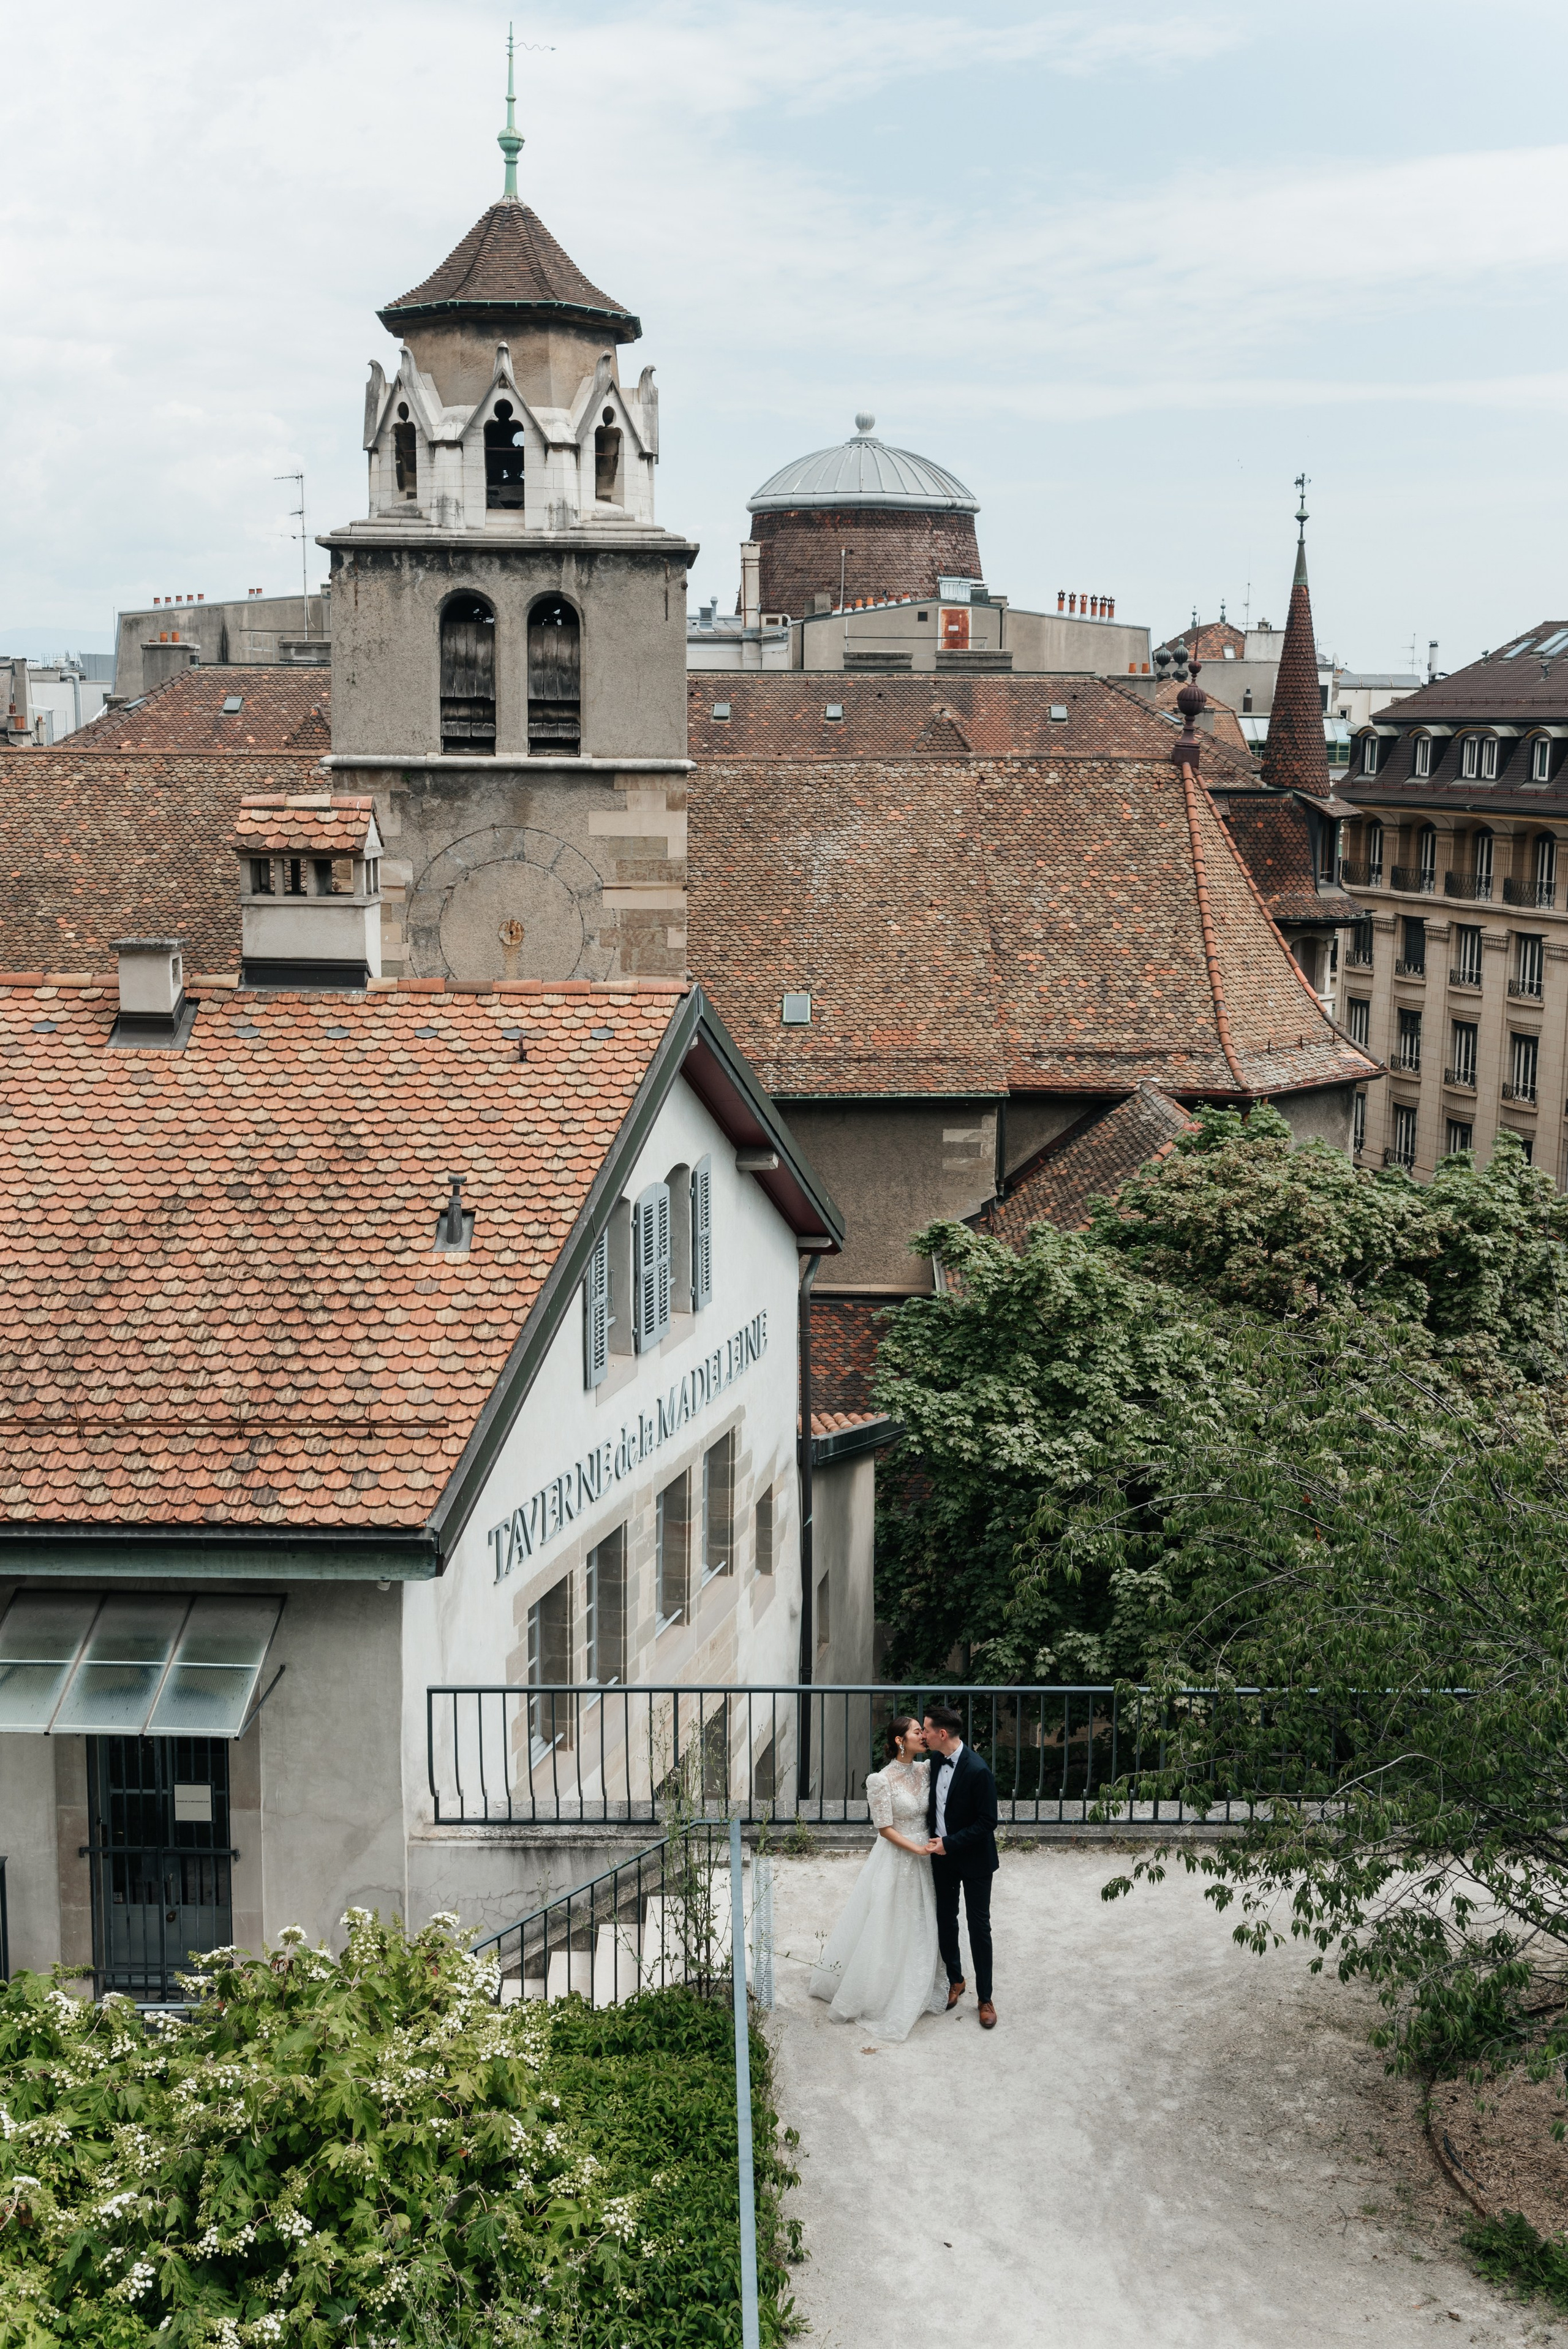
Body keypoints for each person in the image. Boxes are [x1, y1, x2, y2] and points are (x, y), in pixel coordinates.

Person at [808, 1715, 948, 2041]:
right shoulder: (880, 1780)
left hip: (926, 1853)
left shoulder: (926, 1769)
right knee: (889, 1920)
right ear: (901, 1740)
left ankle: (924, 1977)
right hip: (900, 1855)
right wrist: (916, 1849)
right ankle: (879, 1986)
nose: (922, 1736)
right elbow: (884, 1830)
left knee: (925, 1919)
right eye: (917, 1731)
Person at [923, 1702, 1000, 2029]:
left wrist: (950, 1843)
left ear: (942, 1734)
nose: (922, 1734)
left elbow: (988, 1822)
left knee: (979, 1926)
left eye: (926, 1730)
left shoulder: (978, 1769)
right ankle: (956, 1979)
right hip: (942, 1858)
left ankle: (985, 1998)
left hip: (975, 1860)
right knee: (946, 1918)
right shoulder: (936, 1759)